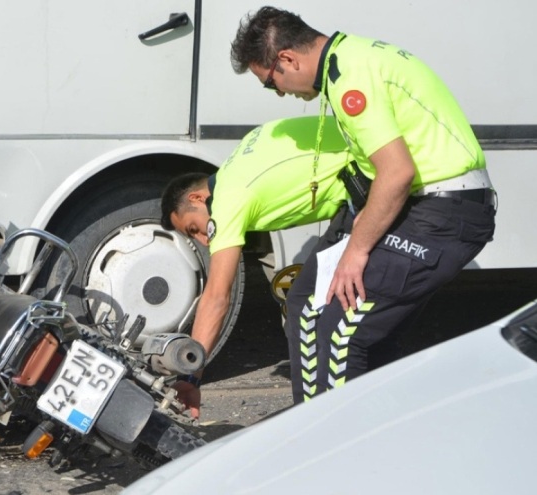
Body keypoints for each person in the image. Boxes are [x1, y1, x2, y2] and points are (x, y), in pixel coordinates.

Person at [228, 6, 496, 404]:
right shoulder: (348, 59)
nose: (280, 93)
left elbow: (397, 172)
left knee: (340, 328)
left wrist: (356, 250)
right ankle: (326, 422)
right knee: (304, 303)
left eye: (271, 83)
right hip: (417, 205)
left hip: (445, 212)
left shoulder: (350, 77)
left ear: (287, 59)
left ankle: (336, 435)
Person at [162, 115, 354, 418]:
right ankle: (322, 409)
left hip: (373, 181)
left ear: (197, 198)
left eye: (194, 229)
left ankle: (327, 415)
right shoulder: (238, 160)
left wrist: (191, 376)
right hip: (364, 173)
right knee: (303, 302)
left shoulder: (227, 200)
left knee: (313, 310)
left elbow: (217, 297)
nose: (204, 240)